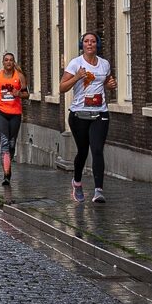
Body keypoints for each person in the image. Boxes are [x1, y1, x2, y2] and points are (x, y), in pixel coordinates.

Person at [59, 32, 115, 203]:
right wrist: (77, 77)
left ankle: (98, 190)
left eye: (93, 41)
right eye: (86, 41)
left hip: (100, 112)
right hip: (79, 114)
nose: (89, 44)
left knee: (97, 150)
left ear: (97, 44)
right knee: (83, 151)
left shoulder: (104, 64)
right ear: (81, 45)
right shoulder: (75, 63)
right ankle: (76, 183)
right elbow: (62, 88)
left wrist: (109, 85)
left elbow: (104, 82)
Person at [0, 53, 27, 186]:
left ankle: (8, 166)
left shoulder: (19, 76)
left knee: (12, 143)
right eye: (6, 60)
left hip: (15, 113)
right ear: (3, 62)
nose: (8, 62)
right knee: (4, 142)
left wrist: (18, 94)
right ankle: (6, 175)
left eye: (11, 60)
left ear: (14, 62)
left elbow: (27, 94)